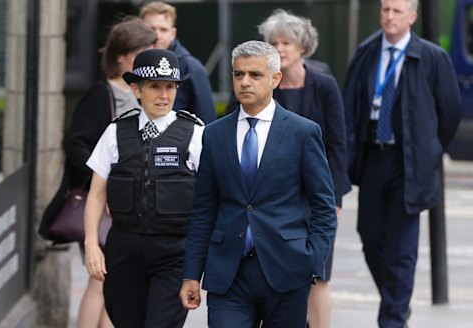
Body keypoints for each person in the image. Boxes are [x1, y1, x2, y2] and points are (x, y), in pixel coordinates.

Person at [180, 40, 337, 327]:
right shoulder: (214, 134)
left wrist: (312, 260)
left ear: (275, 79)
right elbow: (204, 208)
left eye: (255, 75)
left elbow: (324, 206)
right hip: (229, 273)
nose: (245, 82)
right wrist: (191, 273)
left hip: (287, 270)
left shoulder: (302, 132)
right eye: (238, 75)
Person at [342, 0, 461, 327]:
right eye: (385, 10)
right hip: (372, 158)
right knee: (369, 238)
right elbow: (350, 105)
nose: (389, 17)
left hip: (409, 163)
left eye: (396, 11)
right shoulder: (366, 52)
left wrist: (429, 149)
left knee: (402, 249)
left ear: (412, 16)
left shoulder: (432, 58)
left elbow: (448, 113)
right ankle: (397, 301)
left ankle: (392, 318)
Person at [38, 17, 157, 328]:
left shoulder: (144, 93)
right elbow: (75, 144)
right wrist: (102, 183)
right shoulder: (101, 93)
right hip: (104, 204)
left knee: (117, 282)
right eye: (142, 50)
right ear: (121, 55)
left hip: (132, 205)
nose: (148, 56)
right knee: (101, 277)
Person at [84, 48, 204, 328]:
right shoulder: (116, 132)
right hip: (124, 251)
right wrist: (92, 244)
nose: (164, 95)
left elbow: (210, 197)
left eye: (170, 87)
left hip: (174, 252)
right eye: (154, 87)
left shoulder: (194, 133)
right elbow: (97, 194)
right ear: (136, 89)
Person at [256, 9, 351, 328]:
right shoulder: (265, 87)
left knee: (318, 273)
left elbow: (338, 144)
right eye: (274, 43)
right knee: (282, 274)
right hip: (276, 197)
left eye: (286, 42)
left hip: (318, 196)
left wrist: (335, 197)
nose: (279, 49)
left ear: (303, 47)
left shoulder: (324, 86)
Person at [140, 1, 217, 124]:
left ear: (172, 34)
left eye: (163, 29)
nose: (157, 35)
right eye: (151, 29)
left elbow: (207, 122)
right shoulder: (131, 62)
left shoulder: (191, 68)